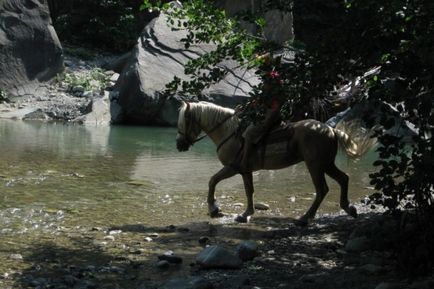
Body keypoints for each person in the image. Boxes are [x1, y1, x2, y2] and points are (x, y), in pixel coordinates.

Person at [239, 54, 285, 171]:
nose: (259, 68)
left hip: (272, 111)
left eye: (261, 65)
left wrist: (256, 105)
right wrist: (247, 106)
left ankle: (244, 162)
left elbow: (268, 98)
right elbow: (262, 97)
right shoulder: (270, 77)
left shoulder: (272, 77)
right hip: (269, 108)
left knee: (249, 133)